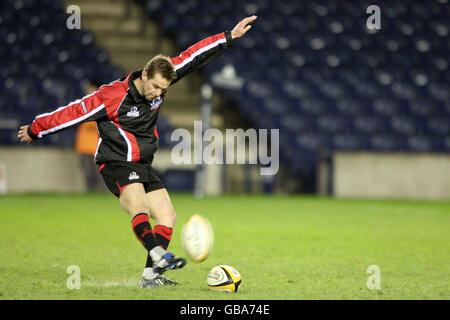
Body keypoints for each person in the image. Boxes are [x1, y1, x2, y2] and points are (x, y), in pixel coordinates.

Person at [17, 15, 257, 288]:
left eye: (163, 89)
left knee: (168, 216)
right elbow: (73, 112)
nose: (157, 93)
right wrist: (37, 129)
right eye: (154, 86)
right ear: (144, 75)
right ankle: (159, 255)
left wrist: (228, 37)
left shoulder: (162, 82)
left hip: (141, 163)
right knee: (139, 206)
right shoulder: (112, 96)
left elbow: (193, 56)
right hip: (115, 161)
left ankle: (150, 276)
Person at [74, 79, 107, 192]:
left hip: (98, 148)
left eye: (89, 87)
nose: (87, 90)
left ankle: (103, 199)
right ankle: (91, 198)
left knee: (101, 176)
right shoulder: (82, 104)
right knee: (88, 176)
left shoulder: (103, 104)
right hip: (84, 147)